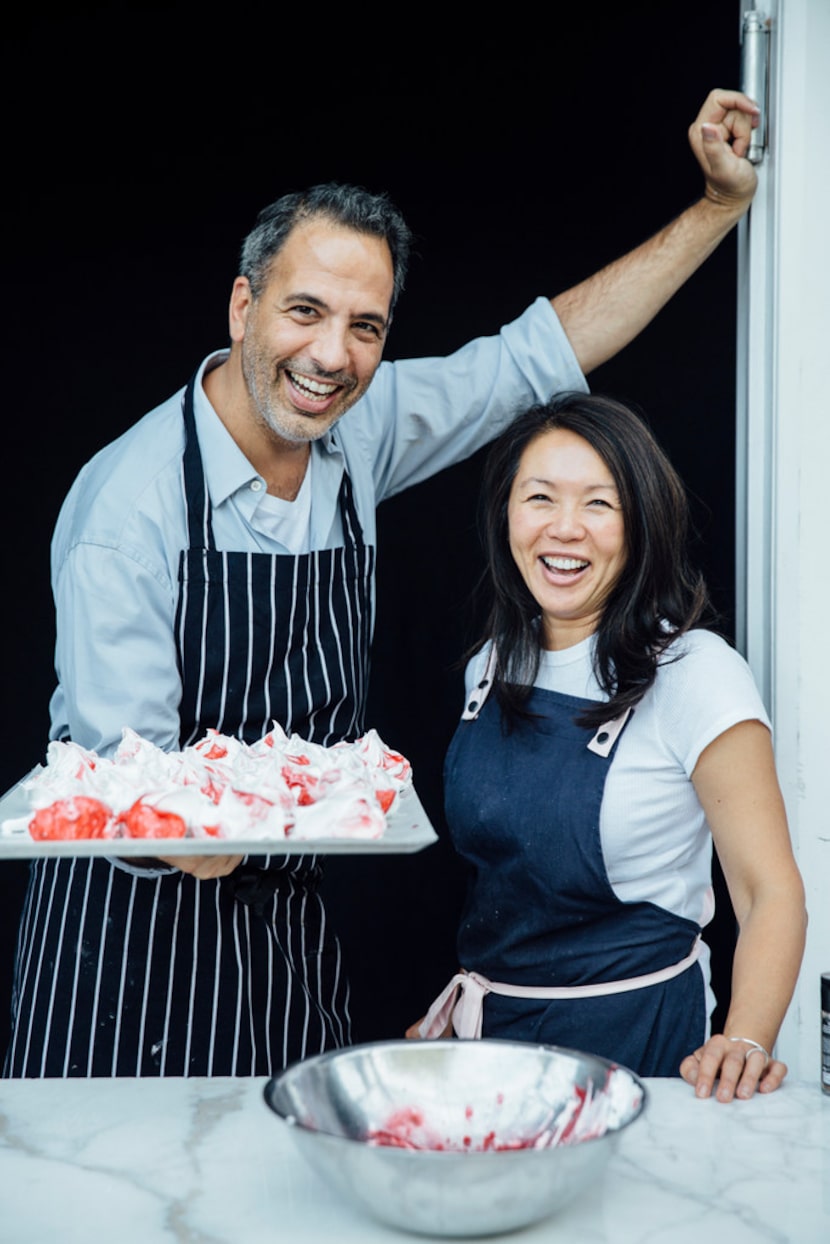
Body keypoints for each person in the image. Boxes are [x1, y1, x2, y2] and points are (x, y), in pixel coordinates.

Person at [4, 90, 762, 1079]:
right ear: (243, 305)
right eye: (304, 311)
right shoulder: (128, 510)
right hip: (131, 941)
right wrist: (266, 817)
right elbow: (129, 786)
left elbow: (538, 356)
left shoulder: (356, 431)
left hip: (281, 931)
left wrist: (715, 206)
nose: (330, 356)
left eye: (365, 326)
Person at [411, 392, 806, 1103]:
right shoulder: (492, 666)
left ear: (641, 525)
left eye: (600, 503)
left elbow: (768, 890)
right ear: (508, 515)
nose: (566, 530)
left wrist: (745, 1039)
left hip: (639, 1049)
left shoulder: (694, 672)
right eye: (540, 498)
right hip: (493, 1055)